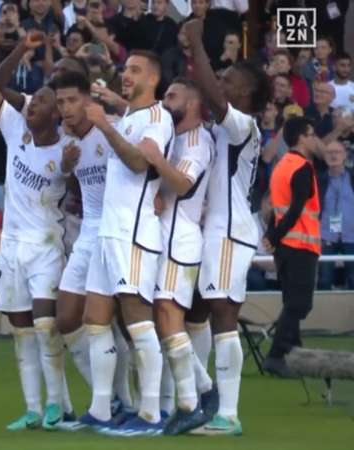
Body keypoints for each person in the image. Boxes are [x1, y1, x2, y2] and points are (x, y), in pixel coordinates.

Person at [0, 31, 75, 431]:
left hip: (47, 245)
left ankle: (57, 404)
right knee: (19, 329)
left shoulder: (68, 148)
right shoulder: (14, 129)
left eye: (43, 101)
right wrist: (5, 49)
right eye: (32, 98)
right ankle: (33, 408)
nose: (33, 103)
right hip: (12, 246)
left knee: (45, 324)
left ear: (57, 115)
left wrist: (69, 172)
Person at [183, 18, 271, 436]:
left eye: (230, 79)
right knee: (197, 312)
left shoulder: (244, 125)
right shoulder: (222, 125)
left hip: (231, 231)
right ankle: (204, 396)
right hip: (214, 229)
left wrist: (197, 42)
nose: (222, 81)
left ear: (246, 94)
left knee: (222, 313)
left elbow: (212, 96)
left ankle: (228, 413)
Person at [79, 50, 173, 436]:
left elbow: (140, 164)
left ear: (153, 79)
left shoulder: (157, 118)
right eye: (125, 69)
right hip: (109, 232)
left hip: (133, 234)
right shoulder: (131, 117)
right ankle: (101, 408)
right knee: (94, 320)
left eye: (135, 70)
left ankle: (151, 413)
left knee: (138, 321)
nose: (127, 76)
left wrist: (104, 125)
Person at [145, 78, 216, 435]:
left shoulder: (197, 141)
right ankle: (200, 391)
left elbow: (184, 184)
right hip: (165, 235)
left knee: (167, 316)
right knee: (159, 320)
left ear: (191, 102)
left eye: (171, 96)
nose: (164, 100)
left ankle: (192, 400)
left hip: (180, 239)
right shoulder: (174, 137)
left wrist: (156, 163)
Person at [44, 71, 110, 418]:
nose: (66, 108)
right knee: (67, 318)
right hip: (88, 233)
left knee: (123, 326)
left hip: (115, 234)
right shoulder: (71, 143)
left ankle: (134, 403)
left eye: (72, 100)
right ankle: (110, 398)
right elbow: (78, 190)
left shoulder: (111, 129)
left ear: (88, 99)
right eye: (60, 102)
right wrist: (68, 171)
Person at [262, 116, 321, 378]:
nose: (314, 138)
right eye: (311, 134)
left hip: (286, 247)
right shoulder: (303, 168)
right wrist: (274, 236)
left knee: (291, 302)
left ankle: (294, 354)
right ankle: (276, 355)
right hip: (300, 245)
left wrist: (273, 236)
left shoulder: (282, 166)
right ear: (300, 138)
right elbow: (296, 209)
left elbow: (276, 208)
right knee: (299, 304)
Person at [317, 141, 354, 290]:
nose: (333, 155)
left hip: (351, 235)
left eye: (337, 152)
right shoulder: (319, 179)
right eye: (329, 152)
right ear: (324, 157)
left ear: (345, 155)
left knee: (353, 280)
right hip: (326, 236)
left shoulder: (352, 176)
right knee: (324, 280)